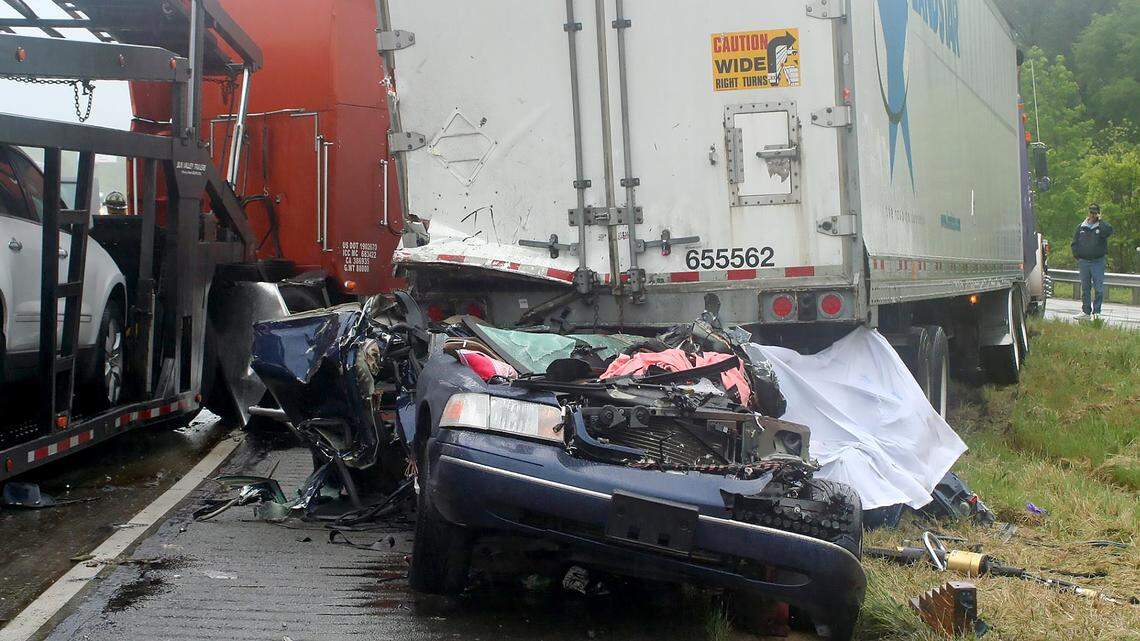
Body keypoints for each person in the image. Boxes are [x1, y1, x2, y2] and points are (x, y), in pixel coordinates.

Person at [1070, 204, 1113, 320]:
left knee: (1098, 288)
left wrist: (1101, 220)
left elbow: (1108, 232)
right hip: (1084, 262)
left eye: (1095, 213)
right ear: (1088, 212)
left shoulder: (1102, 227)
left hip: (1098, 262)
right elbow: (1074, 243)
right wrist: (1077, 255)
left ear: (1098, 213)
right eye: (1091, 212)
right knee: (1085, 288)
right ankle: (1086, 311)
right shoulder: (1081, 227)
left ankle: (1097, 312)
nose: (1093, 215)